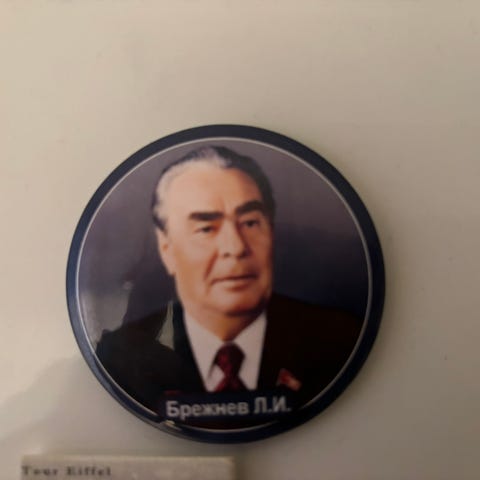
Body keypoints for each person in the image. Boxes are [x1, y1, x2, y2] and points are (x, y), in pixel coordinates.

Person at [96, 146, 361, 416]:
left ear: (272, 234)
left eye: (250, 223)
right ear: (167, 249)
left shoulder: (338, 342)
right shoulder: (126, 360)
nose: (235, 247)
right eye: (206, 228)